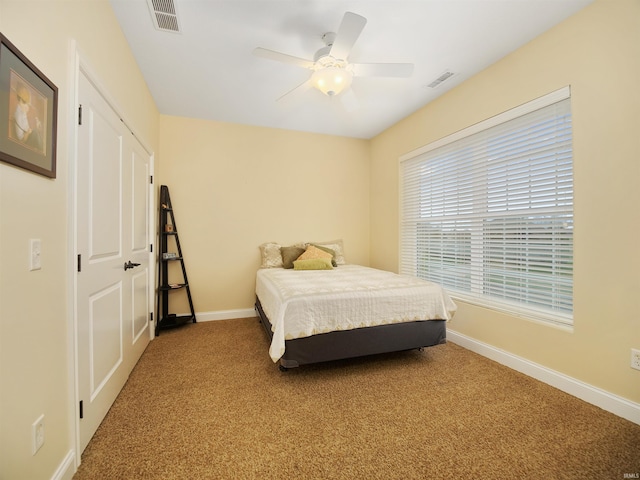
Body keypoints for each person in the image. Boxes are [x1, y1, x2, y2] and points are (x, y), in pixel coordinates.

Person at [13, 85, 42, 151]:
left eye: (27, 103)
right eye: (24, 103)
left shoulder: (23, 111)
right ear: (20, 100)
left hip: (29, 136)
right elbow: (21, 140)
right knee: (35, 133)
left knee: (36, 132)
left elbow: (28, 127)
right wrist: (28, 133)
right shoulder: (18, 115)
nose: (27, 106)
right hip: (24, 142)